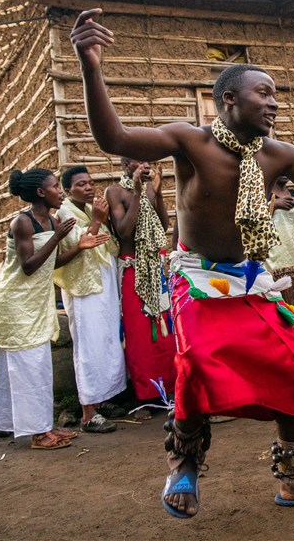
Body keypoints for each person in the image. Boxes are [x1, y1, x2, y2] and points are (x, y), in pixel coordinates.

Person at [71, 8, 294, 518]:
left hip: (251, 280)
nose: (274, 103)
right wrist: (90, 63)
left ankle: (292, 479)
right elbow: (115, 140)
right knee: (196, 362)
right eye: (264, 93)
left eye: (276, 95)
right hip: (197, 278)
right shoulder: (189, 142)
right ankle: (185, 461)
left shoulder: (276, 156)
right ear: (229, 99)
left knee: (293, 365)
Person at [0, 168, 108, 450]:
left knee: (40, 366)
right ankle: (38, 435)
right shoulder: (23, 223)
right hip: (16, 302)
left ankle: (43, 425)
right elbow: (29, 266)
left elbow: (52, 264)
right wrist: (57, 238)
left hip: (35, 302)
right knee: (29, 367)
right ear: (41, 193)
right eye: (56, 186)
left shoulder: (52, 221)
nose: (60, 191)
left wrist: (79, 246)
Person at [54, 165, 126, 433]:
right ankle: (87, 413)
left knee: (107, 341)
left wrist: (99, 218)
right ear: (67, 189)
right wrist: (96, 220)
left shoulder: (88, 208)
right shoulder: (64, 214)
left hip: (103, 284)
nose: (88, 187)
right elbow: (80, 245)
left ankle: (102, 399)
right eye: (81, 184)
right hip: (84, 288)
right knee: (88, 346)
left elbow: (110, 243)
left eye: (90, 182)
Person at [104, 158, 176, 420]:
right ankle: (144, 396)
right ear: (125, 165)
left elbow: (164, 225)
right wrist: (136, 191)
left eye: (146, 160)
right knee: (138, 335)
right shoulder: (114, 192)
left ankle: (169, 389)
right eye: (136, 160)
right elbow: (124, 232)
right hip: (132, 270)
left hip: (155, 268)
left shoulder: (148, 188)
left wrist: (156, 192)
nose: (142, 165)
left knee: (165, 330)